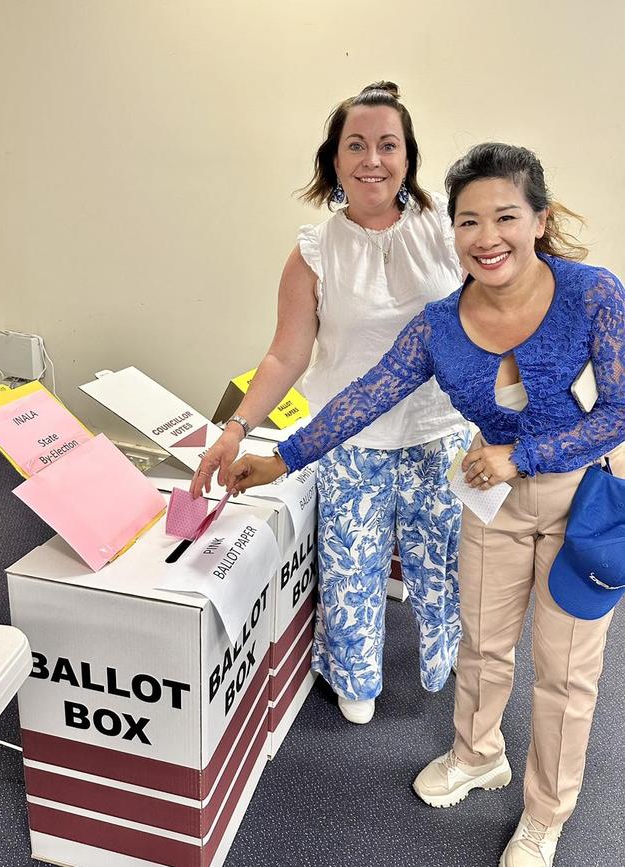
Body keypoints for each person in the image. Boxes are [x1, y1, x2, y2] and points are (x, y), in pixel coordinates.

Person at [223, 142, 625, 867]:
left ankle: (545, 814)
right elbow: (365, 397)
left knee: (565, 670)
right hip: (489, 495)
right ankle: (477, 755)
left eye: (505, 216)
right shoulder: (441, 324)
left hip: (577, 499)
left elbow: (618, 411)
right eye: (468, 222)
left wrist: (522, 454)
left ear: (539, 219)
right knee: (483, 641)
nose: (486, 237)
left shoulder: (593, 292)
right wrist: (278, 455)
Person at [192, 81, 469, 724]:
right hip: (348, 438)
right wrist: (236, 428)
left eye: (387, 145)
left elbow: (491, 323)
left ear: (408, 157)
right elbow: (287, 355)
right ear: (335, 161)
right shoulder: (315, 251)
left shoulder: (446, 230)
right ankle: (354, 675)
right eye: (356, 145)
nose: (372, 158)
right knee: (352, 568)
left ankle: (445, 651)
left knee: (445, 560)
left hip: (438, 428)